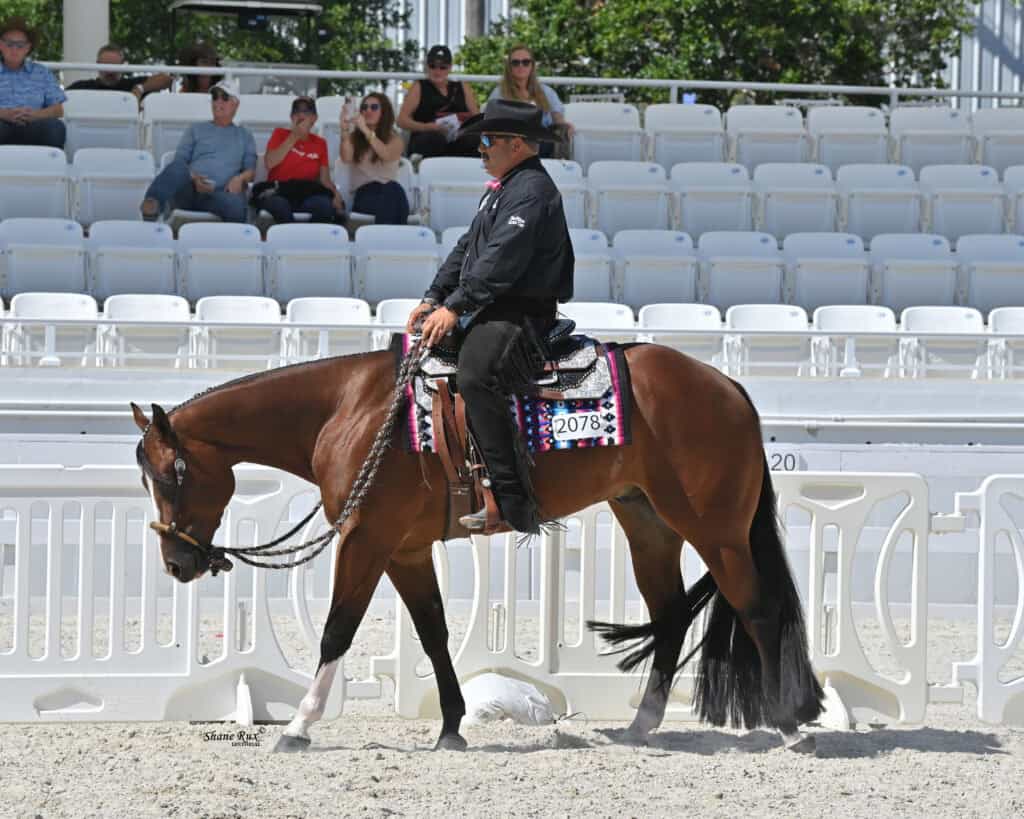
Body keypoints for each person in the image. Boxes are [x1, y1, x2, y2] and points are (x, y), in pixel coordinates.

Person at [406, 99, 574, 535]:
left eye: (487, 140)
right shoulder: (504, 189)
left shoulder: (533, 192)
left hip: (519, 313)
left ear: (516, 144)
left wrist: (455, 306)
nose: (481, 149)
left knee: (478, 376)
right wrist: (433, 297)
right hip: (490, 304)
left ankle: (510, 500)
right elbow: (467, 248)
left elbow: (500, 260)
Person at [140, 79, 256, 223]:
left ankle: (231, 243)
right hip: (189, 191)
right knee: (177, 167)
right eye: (215, 97)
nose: (218, 102)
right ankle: (152, 203)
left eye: (224, 98)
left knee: (236, 205)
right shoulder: (195, 128)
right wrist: (194, 178)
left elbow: (250, 171)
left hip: (220, 194)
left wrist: (240, 178)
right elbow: (180, 161)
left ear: (236, 104)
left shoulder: (245, 135)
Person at [255, 96, 344, 225]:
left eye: (306, 111)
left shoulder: (320, 143)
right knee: (281, 207)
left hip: (306, 193)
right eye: (296, 111)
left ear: (314, 118)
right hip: (279, 191)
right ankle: (290, 241)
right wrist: (294, 136)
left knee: (325, 206)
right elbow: (269, 163)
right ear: (292, 117)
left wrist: (335, 194)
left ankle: (310, 241)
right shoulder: (280, 134)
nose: (300, 114)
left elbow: (325, 180)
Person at [488, 45, 574, 159]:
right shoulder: (499, 93)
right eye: (515, 63)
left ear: (532, 66)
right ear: (509, 67)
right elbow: (490, 122)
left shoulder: (546, 92)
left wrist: (564, 125)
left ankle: (561, 170)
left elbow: (557, 116)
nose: (521, 66)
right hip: (512, 143)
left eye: (526, 62)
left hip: (541, 142)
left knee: (561, 132)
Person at [397, 44, 479, 159]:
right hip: (428, 137)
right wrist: (427, 127)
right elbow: (401, 121)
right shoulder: (419, 87)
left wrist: (464, 128)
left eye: (442, 67)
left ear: (450, 68)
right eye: (433, 66)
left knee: (475, 140)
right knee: (435, 139)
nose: (437, 71)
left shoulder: (462, 86)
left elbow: (476, 118)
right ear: (427, 67)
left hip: (457, 137)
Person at [339, 92, 409, 225]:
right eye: (364, 107)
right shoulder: (354, 138)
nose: (368, 111)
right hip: (365, 194)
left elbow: (387, 155)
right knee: (395, 194)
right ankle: (394, 238)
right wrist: (344, 130)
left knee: (393, 190)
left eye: (374, 107)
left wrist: (366, 130)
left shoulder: (395, 139)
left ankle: (384, 237)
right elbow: (346, 158)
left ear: (384, 112)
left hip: (389, 192)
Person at [0, 16, 66, 148]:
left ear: (28, 48)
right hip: (1, 123)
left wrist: (36, 115)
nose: (14, 50)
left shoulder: (42, 72)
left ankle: (48, 166)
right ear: (0, 45)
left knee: (55, 128)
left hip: (34, 124)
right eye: (9, 44)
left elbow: (58, 109)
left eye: (20, 45)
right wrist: (4, 114)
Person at [67, 43, 172, 102]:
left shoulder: (132, 85)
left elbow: (166, 79)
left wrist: (140, 89)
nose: (110, 72)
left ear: (122, 65)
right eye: (106, 66)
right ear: (97, 64)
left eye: (115, 66)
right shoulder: (82, 87)